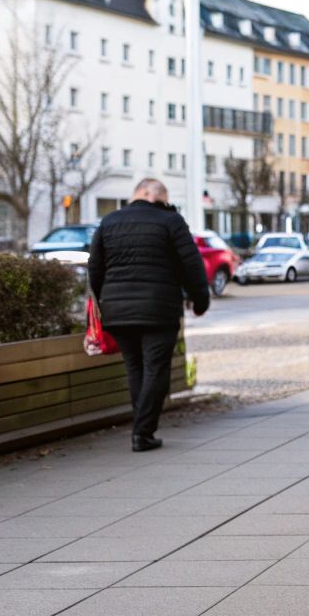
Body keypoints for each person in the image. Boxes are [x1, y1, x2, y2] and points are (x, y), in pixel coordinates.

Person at [87, 178, 209, 452]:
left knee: (135, 368)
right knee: (156, 369)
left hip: (117, 311)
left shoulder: (109, 222)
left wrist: (101, 303)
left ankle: (142, 430)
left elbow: (95, 267)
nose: (166, 205)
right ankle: (142, 433)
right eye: (163, 200)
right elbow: (191, 263)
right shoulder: (171, 221)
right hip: (159, 309)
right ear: (149, 194)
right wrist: (200, 300)